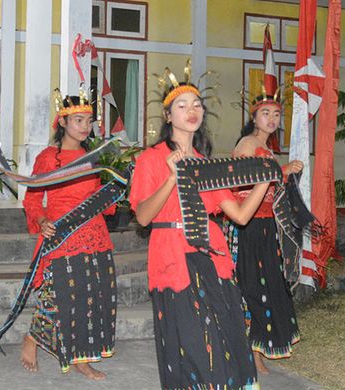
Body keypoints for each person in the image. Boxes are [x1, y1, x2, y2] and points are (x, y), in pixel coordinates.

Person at [128, 80, 271, 390]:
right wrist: (170, 178)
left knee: (225, 331)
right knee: (192, 338)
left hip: (210, 256)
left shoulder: (207, 165)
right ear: (168, 116)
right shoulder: (150, 159)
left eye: (197, 105)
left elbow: (241, 216)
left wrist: (265, 181)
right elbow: (142, 216)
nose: (191, 110)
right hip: (172, 256)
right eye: (182, 105)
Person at [20, 94, 117, 380]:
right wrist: (42, 220)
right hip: (62, 232)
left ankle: (81, 358)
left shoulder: (94, 158)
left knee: (90, 296)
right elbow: (33, 198)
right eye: (78, 120)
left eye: (88, 121)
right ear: (62, 122)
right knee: (58, 293)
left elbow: (98, 196)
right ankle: (33, 339)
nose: (85, 126)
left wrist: (116, 193)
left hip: (93, 231)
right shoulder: (48, 158)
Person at [230, 92, 303, 374]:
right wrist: (280, 171)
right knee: (251, 286)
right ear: (254, 117)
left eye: (276, 115)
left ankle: (260, 346)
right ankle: (251, 351)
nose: (271, 119)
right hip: (247, 224)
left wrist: (284, 176)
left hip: (265, 224)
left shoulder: (266, 148)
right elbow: (238, 181)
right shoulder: (248, 143)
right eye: (266, 114)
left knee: (268, 283)